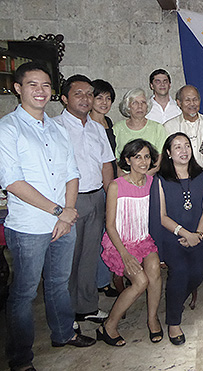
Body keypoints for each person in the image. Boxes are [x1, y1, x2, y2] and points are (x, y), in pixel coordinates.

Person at [0, 62, 95, 371]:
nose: (40, 91)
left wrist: (67, 214)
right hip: (29, 226)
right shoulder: (8, 128)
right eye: (32, 85)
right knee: (24, 293)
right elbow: (12, 182)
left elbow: (71, 171)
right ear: (18, 89)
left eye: (45, 85)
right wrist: (59, 211)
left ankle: (64, 333)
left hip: (63, 221)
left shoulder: (56, 126)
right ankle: (20, 359)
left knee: (57, 284)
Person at [54, 75, 115, 324]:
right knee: (68, 259)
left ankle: (87, 306)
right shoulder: (55, 127)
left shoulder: (97, 128)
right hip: (70, 201)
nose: (86, 98)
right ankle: (67, 314)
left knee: (90, 256)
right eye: (78, 93)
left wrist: (110, 198)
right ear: (65, 98)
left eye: (89, 93)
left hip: (96, 197)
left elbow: (106, 166)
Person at [149, 133, 203, 345]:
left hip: (199, 234)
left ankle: (174, 301)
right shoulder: (160, 179)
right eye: (177, 147)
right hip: (171, 237)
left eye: (186, 146)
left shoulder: (202, 177)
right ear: (168, 153)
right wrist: (185, 234)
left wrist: (197, 235)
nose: (183, 150)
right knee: (180, 272)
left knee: (197, 273)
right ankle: (174, 322)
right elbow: (161, 216)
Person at [99, 139, 162, 346]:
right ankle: (108, 325)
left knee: (154, 270)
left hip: (143, 240)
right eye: (137, 157)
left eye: (146, 156)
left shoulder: (152, 183)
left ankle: (152, 319)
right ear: (127, 160)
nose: (143, 161)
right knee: (140, 281)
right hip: (120, 244)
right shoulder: (116, 186)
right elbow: (110, 226)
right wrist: (125, 255)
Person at [90, 79, 121, 297]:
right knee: (99, 235)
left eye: (108, 98)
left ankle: (107, 278)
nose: (104, 102)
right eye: (99, 97)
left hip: (111, 183)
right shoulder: (87, 124)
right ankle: (99, 281)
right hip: (96, 185)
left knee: (109, 233)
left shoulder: (108, 122)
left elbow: (113, 158)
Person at [114, 88, 167, 175]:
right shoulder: (117, 129)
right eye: (135, 103)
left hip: (151, 178)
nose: (140, 106)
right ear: (128, 107)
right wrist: (127, 180)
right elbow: (114, 160)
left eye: (143, 102)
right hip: (124, 179)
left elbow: (160, 162)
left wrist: (142, 179)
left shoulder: (158, 128)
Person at [164, 85, 203, 171]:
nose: (192, 104)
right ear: (179, 103)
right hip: (179, 177)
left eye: (195, 99)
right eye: (187, 100)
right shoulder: (169, 126)